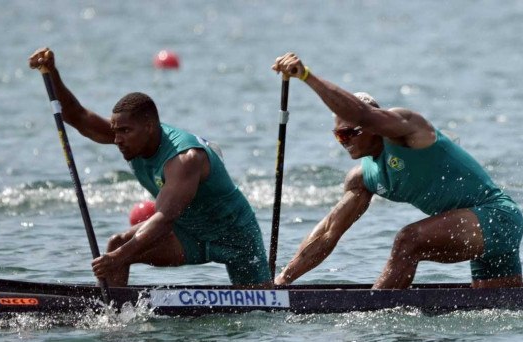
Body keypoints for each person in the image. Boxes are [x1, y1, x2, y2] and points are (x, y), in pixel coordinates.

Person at [271, 52, 523, 289]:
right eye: (339, 135)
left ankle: (374, 314)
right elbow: (328, 232)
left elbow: (361, 113)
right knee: (496, 304)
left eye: (349, 132)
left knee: (408, 240)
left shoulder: (409, 132)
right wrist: (282, 282)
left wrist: (306, 76)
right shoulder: (362, 178)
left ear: (374, 126)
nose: (344, 141)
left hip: (497, 217)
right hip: (469, 227)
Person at [29, 47, 271, 287]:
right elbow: (79, 117)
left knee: (262, 305)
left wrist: (117, 259)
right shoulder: (132, 141)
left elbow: (164, 218)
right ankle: (114, 316)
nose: (117, 139)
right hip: (188, 233)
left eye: (124, 131)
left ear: (149, 127)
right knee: (117, 243)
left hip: (236, 238)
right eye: (115, 131)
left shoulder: (185, 159)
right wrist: (52, 73)